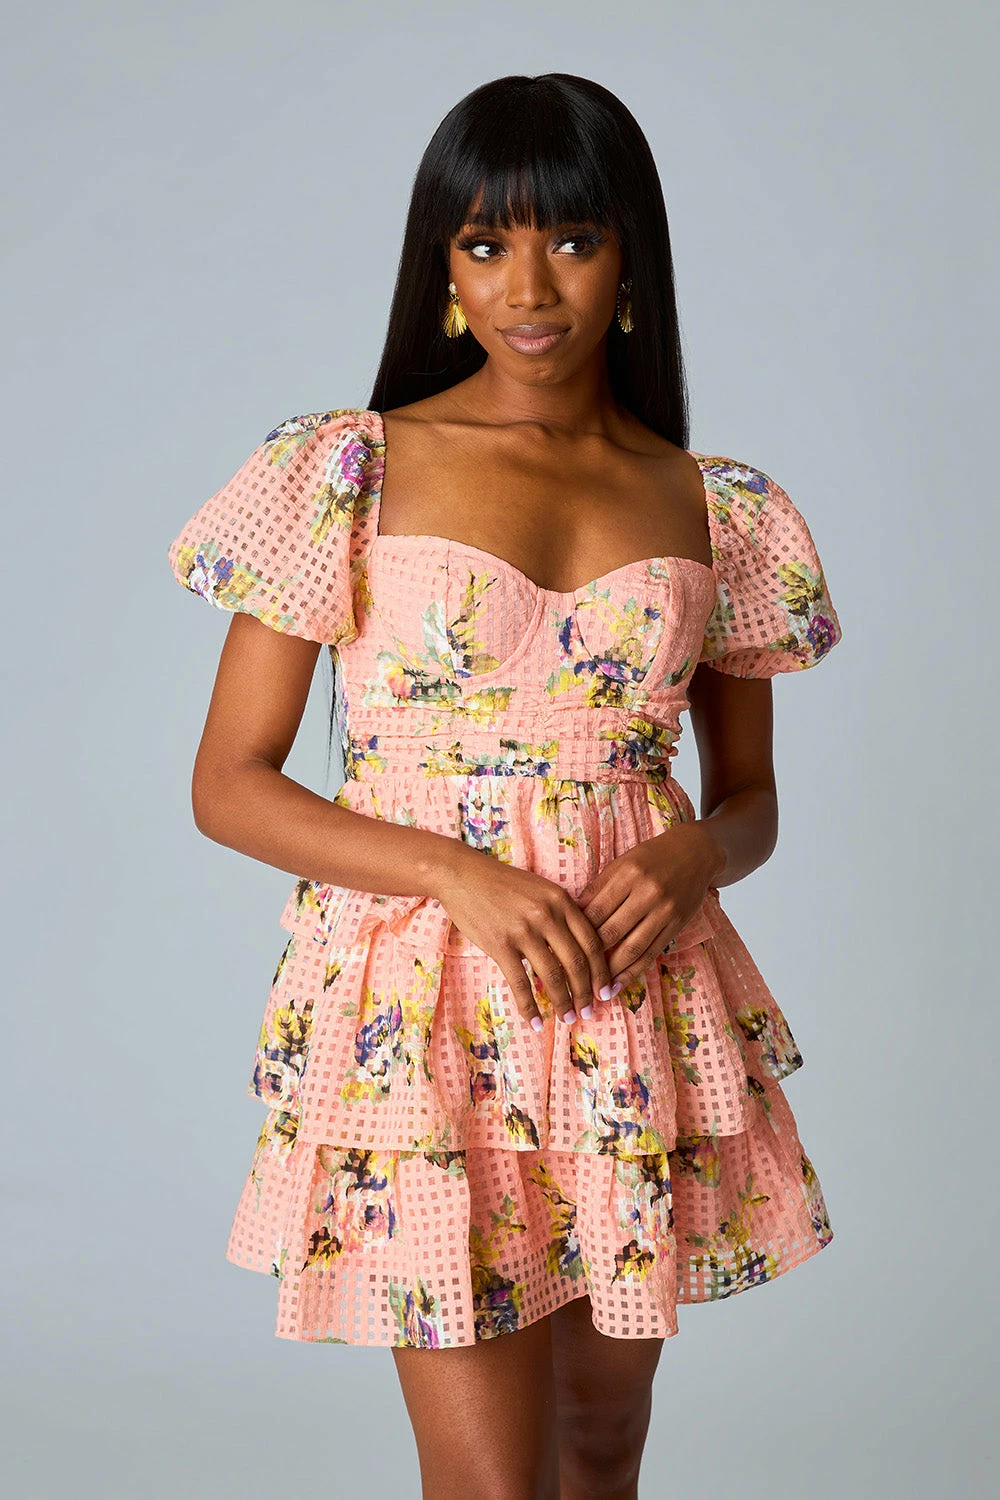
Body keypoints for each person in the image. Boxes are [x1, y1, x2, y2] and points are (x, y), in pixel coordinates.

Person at [166, 71, 843, 1500]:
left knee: (603, 1440)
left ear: (631, 262)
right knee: (490, 1486)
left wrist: (696, 856)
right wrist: (454, 873)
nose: (530, 288)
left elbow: (752, 801)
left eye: (573, 240)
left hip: (630, 1001)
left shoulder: (716, 505)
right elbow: (228, 784)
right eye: (486, 244)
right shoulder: (348, 470)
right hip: (425, 1015)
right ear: (445, 269)